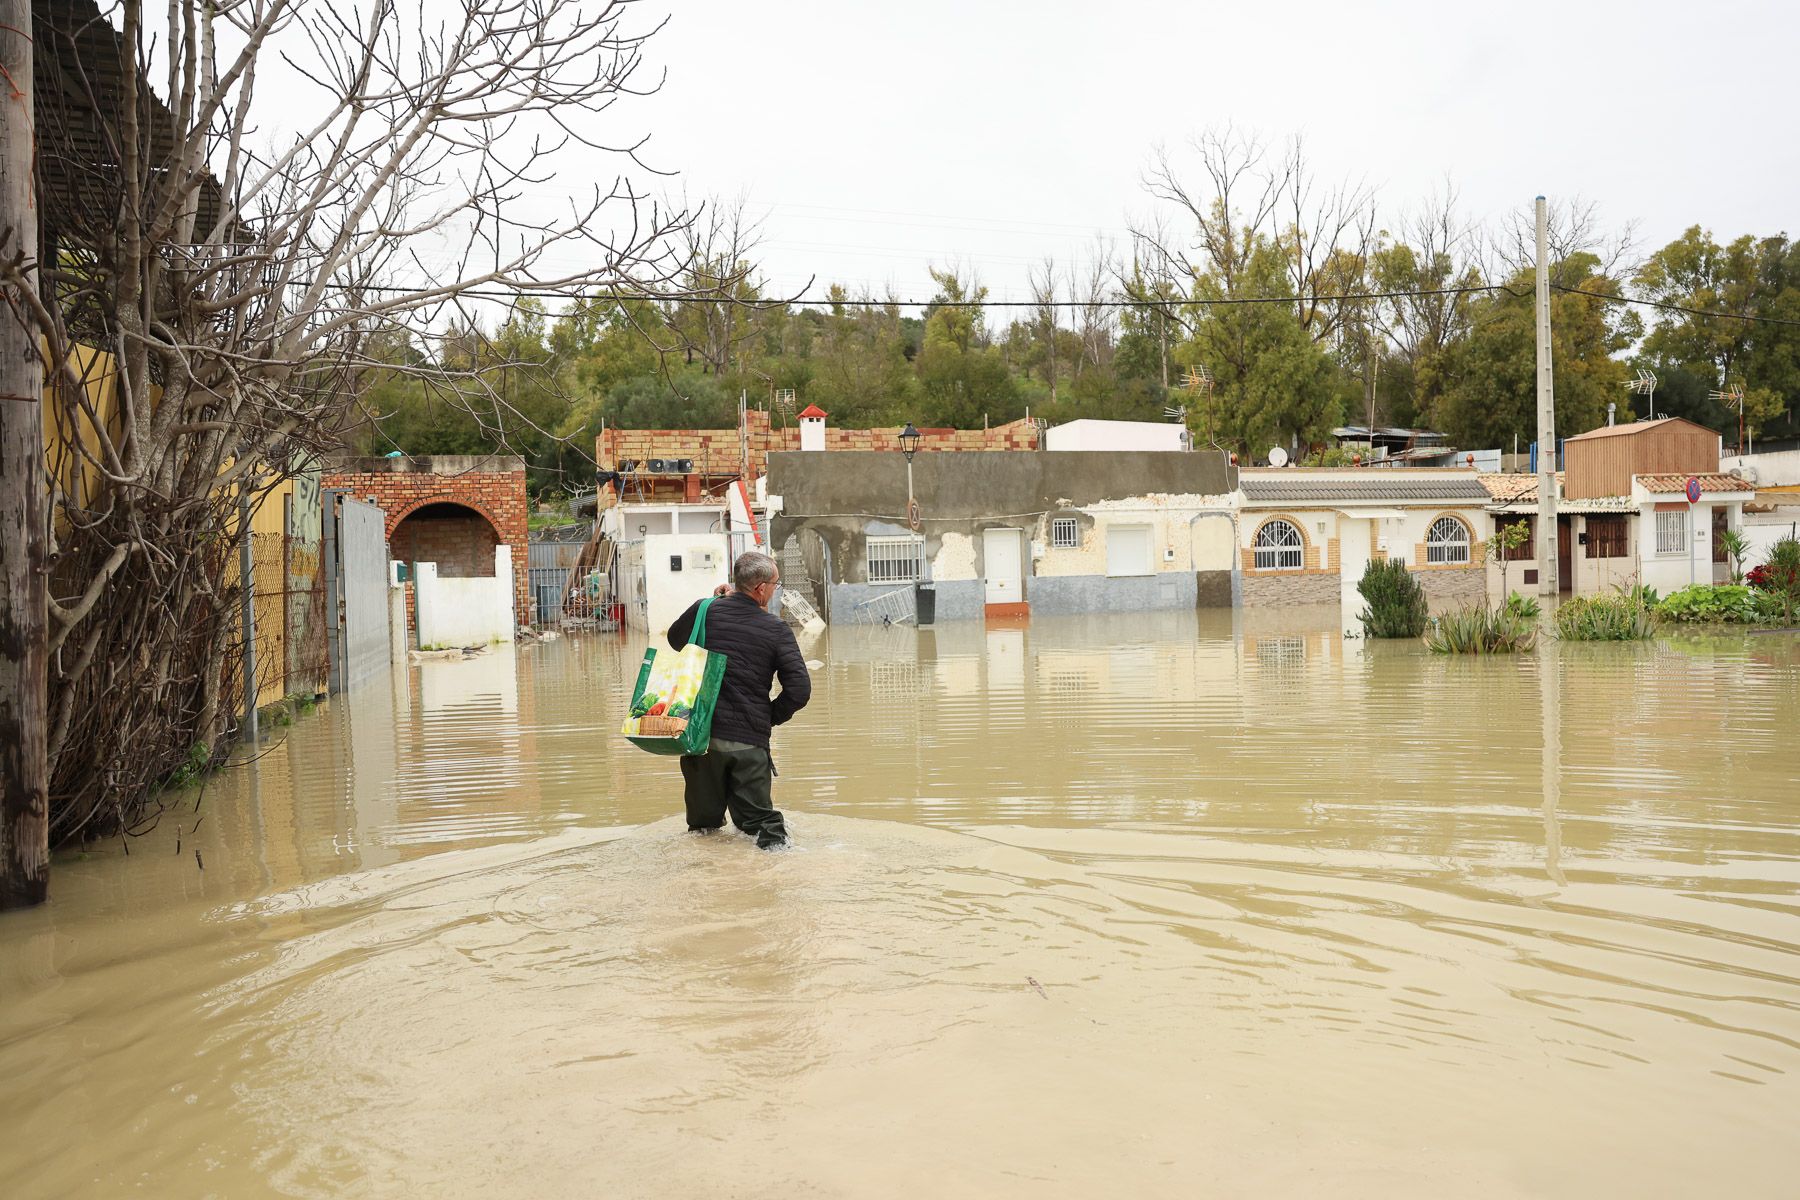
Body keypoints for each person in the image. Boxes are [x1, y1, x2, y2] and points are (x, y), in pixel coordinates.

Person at [666, 551, 810, 848]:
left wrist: (713, 605)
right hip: (748, 743)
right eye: (775, 584)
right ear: (760, 588)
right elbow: (799, 690)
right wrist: (767, 716)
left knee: (704, 831)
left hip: (700, 740)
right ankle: (776, 874)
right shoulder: (775, 629)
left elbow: (676, 640)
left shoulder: (704, 610)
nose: (775, 591)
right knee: (762, 829)